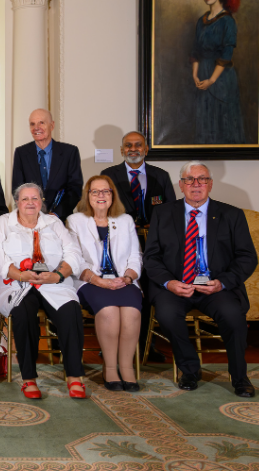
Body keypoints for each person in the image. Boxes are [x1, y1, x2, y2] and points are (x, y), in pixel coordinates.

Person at [144, 161, 257, 396]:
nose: (196, 184)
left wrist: (222, 283)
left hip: (215, 287)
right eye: (189, 180)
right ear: (181, 185)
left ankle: (239, 376)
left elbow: (247, 257)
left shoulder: (231, 214)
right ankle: (190, 370)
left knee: (233, 316)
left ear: (210, 184)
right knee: (166, 314)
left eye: (202, 179)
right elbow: (151, 257)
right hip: (176, 285)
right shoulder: (163, 213)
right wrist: (169, 283)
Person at [0, 183, 86, 399]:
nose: (30, 203)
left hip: (53, 282)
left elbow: (73, 252)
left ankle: (74, 376)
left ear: (41, 201)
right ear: (16, 203)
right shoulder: (4, 223)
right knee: (23, 312)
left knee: (71, 310)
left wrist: (58, 275)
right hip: (17, 283)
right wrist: (18, 274)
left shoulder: (54, 222)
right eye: (24, 199)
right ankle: (29, 378)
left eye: (35, 198)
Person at [100, 131, 175, 363]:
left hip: (153, 246)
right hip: (120, 244)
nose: (133, 149)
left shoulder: (161, 176)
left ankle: (145, 346)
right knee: (120, 290)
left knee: (148, 294)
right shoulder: (109, 175)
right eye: (128, 145)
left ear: (146, 149)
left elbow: (171, 212)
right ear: (122, 150)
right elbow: (102, 209)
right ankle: (111, 344)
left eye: (138, 145)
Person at [66, 175, 143, 392]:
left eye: (106, 191)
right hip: (90, 280)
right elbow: (75, 258)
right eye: (95, 192)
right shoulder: (75, 221)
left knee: (131, 313)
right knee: (109, 312)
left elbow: (136, 255)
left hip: (123, 280)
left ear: (112, 195)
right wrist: (97, 280)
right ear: (87, 196)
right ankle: (110, 368)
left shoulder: (125, 220)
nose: (101, 196)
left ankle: (126, 368)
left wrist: (128, 277)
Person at [191, 0, 245, 144]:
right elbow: (195, 51)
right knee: (204, 117)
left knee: (222, 117)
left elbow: (227, 54)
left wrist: (212, 80)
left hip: (221, 77)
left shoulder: (227, 21)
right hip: (202, 75)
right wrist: (195, 76)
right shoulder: (202, 20)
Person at [11, 109, 82, 222]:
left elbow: (75, 189)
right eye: (32, 124)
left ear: (52, 125)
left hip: (61, 219)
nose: (36, 127)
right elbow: (17, 188)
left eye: (41, 123)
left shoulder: (70, 152)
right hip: (30, 219)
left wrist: (56, 214)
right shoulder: (21, 153)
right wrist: (34, 213)